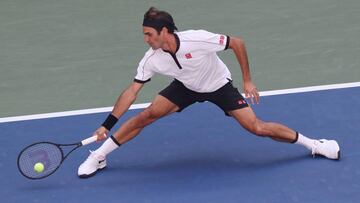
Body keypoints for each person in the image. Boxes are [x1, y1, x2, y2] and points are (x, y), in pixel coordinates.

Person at [78, 7, 340, 178]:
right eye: (144, 34)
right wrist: (106, 124)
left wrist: (248, 81)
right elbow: (132, 91)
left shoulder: (197, 39)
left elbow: (237, 43)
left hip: (218, 85)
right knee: (147, 115)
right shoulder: (151, 59)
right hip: (185, 87)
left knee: (256, 128)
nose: (146, 39)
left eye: (148, 34)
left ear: (164, 31)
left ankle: (315, 145)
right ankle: (99, 156)